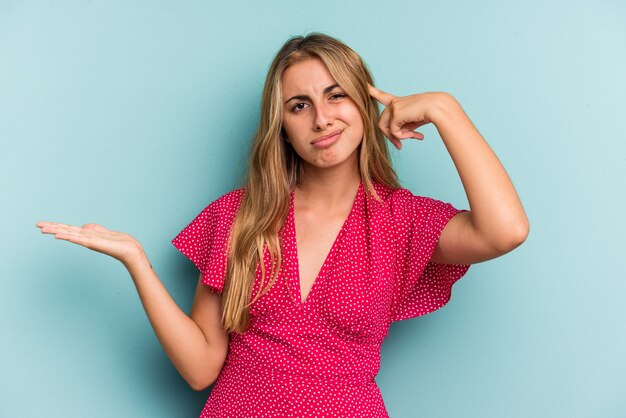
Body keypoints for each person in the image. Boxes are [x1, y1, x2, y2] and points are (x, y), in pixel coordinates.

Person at [36, 32, 529, 417]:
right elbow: (200, 369)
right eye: (299, 105)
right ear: (282, 127)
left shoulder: (403, 221)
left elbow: (505, 230)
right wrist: (136, 262)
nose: (321, 119)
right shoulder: (237, 216)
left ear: (363, 104)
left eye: (336, 96)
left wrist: (444, 108)